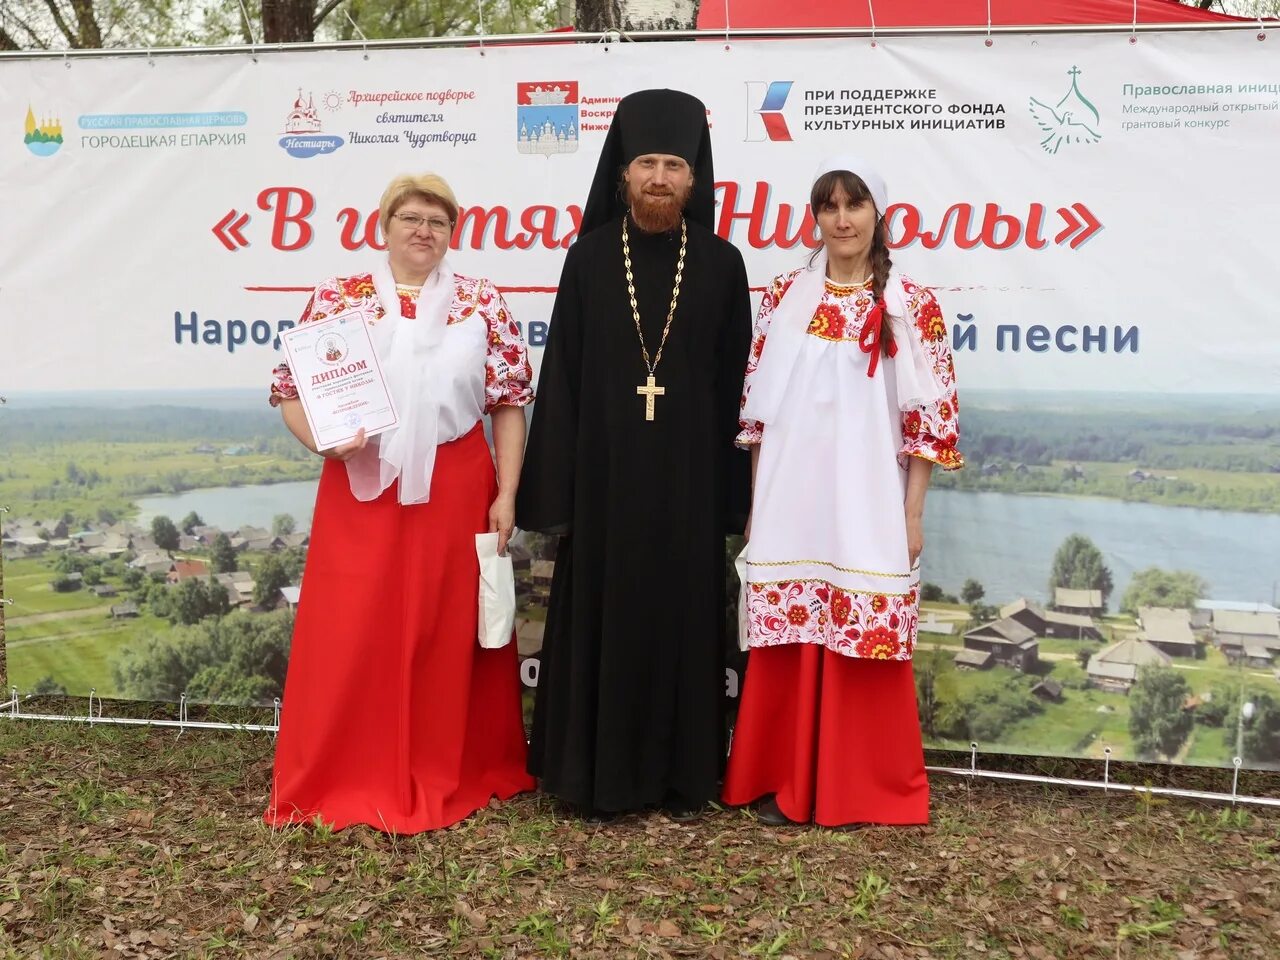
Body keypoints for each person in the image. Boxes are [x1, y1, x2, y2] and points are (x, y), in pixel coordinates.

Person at [264, 172, 535, 833]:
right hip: (362, 485)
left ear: (452, 234)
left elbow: (507, 404)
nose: (424, 231)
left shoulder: (482, 303)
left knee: (443, 631)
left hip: (459, 483)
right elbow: (287, 390)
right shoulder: (340, 298)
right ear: (383, 227)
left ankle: (448, 764)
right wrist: (321, 444)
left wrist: (506, 492)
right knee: (354, 629)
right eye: (411, 218)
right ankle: (343, 768)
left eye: (438, 222)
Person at [516, 89, 752, 820]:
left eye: (673, 165)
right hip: (606, 486)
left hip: (688, 487)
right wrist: (555, 493)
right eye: (646, 162)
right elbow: (562, 380)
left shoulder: (720, 263)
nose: (658, 177)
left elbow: (735, 386)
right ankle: (593, 778)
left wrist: (734, 499)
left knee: (683, 622)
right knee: (602, 621)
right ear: (621, 172)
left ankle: (680, 779)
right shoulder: (588, 258)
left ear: (693, 178)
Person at [722, 156, 964, 829]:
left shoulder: (910, 304)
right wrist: (756, 504)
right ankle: (786, 778)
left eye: (854, 205)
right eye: (828, 206)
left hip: (869, 497)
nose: (842, 218)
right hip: (789, 494)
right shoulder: (781, 298)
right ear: (816, 218)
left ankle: (859, 787)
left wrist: (912, 511)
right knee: (792, 633)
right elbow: (757, 412)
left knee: (866, 633)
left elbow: (931, 419)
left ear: (877, 215)